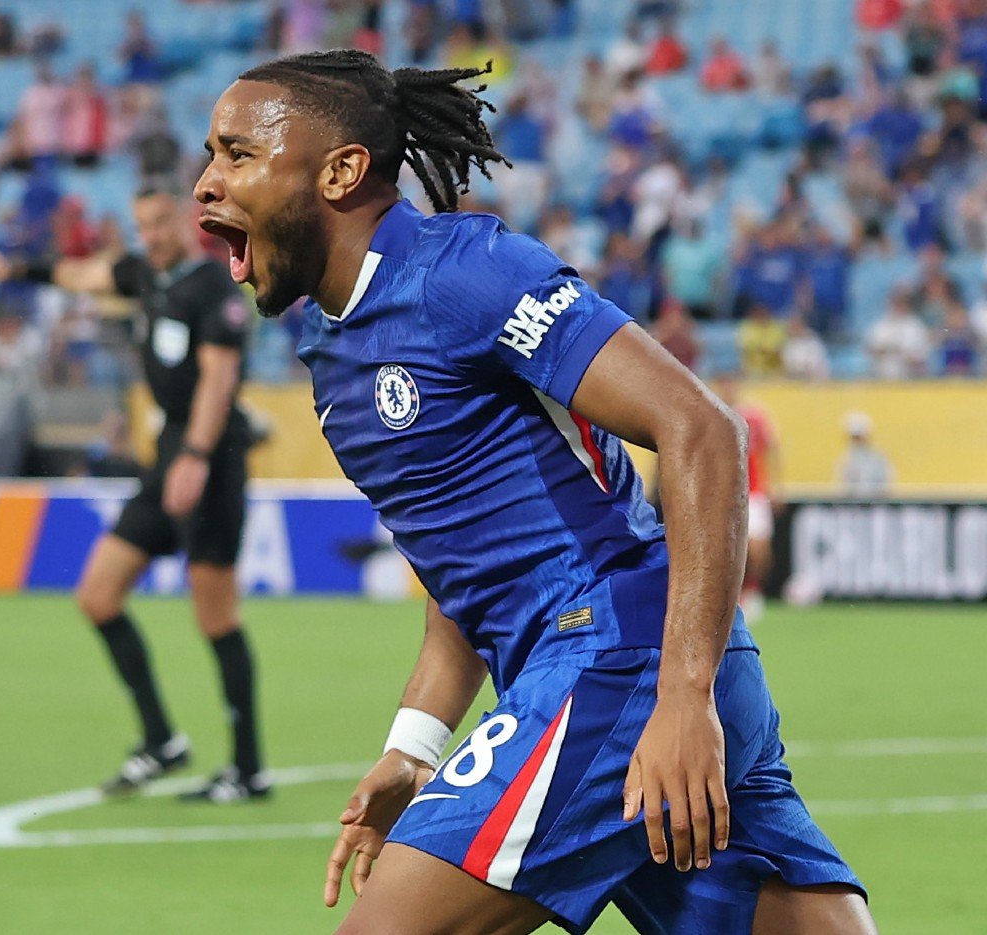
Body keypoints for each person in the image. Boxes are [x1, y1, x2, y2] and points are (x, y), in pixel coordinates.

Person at [194, 50, 873, 933]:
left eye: (237, 154)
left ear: (341, 170)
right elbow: (461, 572)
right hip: (604, 674)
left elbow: (703, 428)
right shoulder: (332, 355)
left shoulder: (466, 272)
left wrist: (682, 694)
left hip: (622, 659)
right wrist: (413, 746)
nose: (206, 183)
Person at [0, 186, 267, 802]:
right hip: (168, 462)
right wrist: (14, 271)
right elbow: (83, 272)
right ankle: (162, 741)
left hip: (208, 460)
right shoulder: (143, 276)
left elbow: (220, 378)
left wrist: (195, 456)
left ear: (184, 222)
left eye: (160, 223)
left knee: (215, 615)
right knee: (98, 596)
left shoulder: (211, 289)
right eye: (141, 224)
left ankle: (248, 767)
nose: (151, 235)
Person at [714, 373, 782, 624]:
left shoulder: (753, 416)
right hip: (724, 493)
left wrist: (776, 486)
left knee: (759, 549)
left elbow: (772, 448)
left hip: (753, 491)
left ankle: (753, 589)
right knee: (728, 549)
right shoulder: (713, 414)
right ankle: (735, 596)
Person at [836, 412, 893, 498]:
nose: (856, 441)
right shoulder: (845, 460)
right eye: (854, 437)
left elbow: (886, 485)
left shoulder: (878, 459)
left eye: (859, 437)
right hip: (852, 507)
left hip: (875, 506)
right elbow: (842, 487)